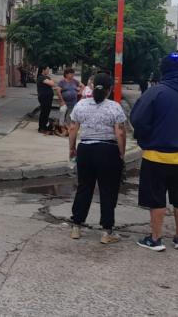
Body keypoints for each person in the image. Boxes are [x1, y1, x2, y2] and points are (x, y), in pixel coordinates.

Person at [130, 55, 178, 252]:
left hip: (156, 155)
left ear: (163, 71)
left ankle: (155, 239)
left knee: (157, 198)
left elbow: (137, 119)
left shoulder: (156, 92)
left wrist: (144, 138)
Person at [68, 73, 127, 244]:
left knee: (84, 187)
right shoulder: (114, 107)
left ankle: (76, 226)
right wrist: (122, 153)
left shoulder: (81, 105)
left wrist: (72, 148)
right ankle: (107, 231)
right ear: (110, 90)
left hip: (85, 149)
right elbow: (120, 132)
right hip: (108, 151)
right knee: (108, 190)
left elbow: (73, 128)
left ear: (92, 86)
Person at [37, 66, 56, 134]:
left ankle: (44, 126)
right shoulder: (41, 77)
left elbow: (52, 83)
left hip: (48, 97)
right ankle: (41, 127)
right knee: (44, 112)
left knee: (47, 112)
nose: (48, 71)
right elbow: (52, 83)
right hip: (44, 97)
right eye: (47, 69)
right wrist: (51, 81)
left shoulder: (47, 77)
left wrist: (50, 81)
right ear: (43, 70)